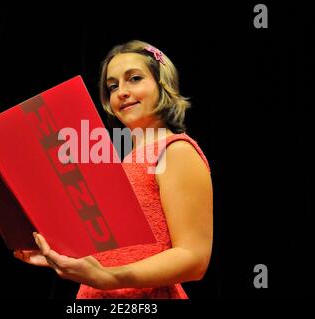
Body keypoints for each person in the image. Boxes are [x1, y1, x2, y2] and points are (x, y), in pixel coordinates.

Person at [13, 40, 213, 299]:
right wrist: (56, 255)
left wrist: (109, 278)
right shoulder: (117, 164)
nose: (121, 92)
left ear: (163, 84)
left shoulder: (177, 151)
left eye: (135, 78)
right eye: (113, 86)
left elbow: (194, 258)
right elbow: (108, 254)